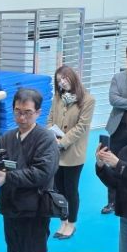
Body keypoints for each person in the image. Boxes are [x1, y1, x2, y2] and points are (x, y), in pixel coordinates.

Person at [0, 88, 60, 252]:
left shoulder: (46, 139)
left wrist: (8, 177)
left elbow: (42, 173)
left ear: (38, 112)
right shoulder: (6, 138)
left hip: (35, 211)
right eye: (18, 111)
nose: (22, 118)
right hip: (10, 208)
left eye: (27, 113)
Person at [46, 65, 95, 239]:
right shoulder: (57, 97)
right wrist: (51, 135)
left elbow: (82, 127)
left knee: (71, 189)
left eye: (65, 78)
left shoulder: (88, 100)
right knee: (58, 189)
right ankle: (63, 221)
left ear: (73, 77)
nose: (62, 82)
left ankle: (72, 224)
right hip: (56, 151)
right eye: (59, 80)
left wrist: (63, 142)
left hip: (74, 152)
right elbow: (50, 118)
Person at [102, 44, 127, 214]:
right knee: (113, 162)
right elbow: (113, 99)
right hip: (118, 128)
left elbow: (120, 101)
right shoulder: (118, 78)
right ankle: (112, 201)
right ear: (126, 58)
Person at [95, 140, 127, 252]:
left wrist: (120, 165)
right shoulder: (126, 151)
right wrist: (101, 165)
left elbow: (122, 169)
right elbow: (115, 183)